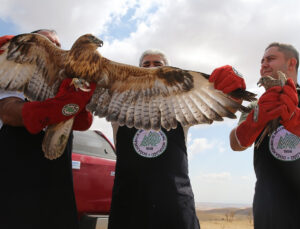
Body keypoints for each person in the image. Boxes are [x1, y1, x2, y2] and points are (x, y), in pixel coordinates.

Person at [108, 49, 247, 229]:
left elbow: (222, 106)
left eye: (158, 64)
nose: (151, 68)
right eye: (146, 64)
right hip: (130, 205)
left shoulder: (183, 106)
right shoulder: (116, 105)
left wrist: (234, 88)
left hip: (173, 205)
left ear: (168, 72)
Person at [0, 29, 95, 229]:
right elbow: (8, 112)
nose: (54, 49)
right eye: (47, 43)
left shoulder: (71, 82)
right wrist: (57, 108)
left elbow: (82, 123)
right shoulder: (11, 70)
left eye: (58, 46)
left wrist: (77, 106)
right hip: (17, 180)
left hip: (58, 182)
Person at [229, 42, 300, 229]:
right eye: (262, 61)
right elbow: (236, 144)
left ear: (291, 63)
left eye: (271, 59)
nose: (264, 65)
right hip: (267, 208)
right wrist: (254, 121)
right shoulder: (256, 105)